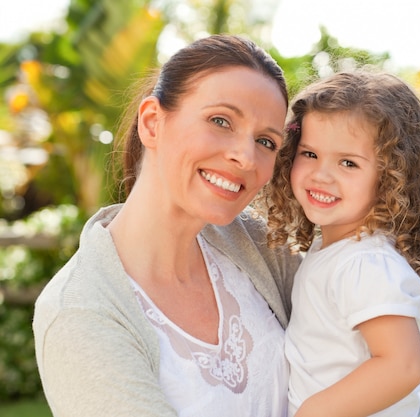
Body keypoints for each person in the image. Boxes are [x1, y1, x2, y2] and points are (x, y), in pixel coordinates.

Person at [32, 34, 302, 417]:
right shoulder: (79, 311)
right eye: (221, 121)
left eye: (266, 141)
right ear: (152, 123)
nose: (245, 156)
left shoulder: (258, 245)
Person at [262, 70, 420, 417]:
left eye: (348, 162)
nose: (322, 173)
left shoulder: (364, 263)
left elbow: (403, 367)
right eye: (309, 154)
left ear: (391, 177)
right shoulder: (338, 252)